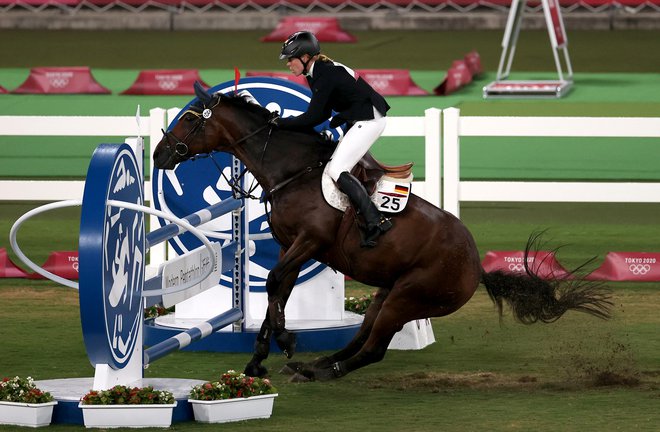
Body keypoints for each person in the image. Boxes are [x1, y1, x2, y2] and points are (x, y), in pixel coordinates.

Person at [271, 31, 393, 248]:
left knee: (337, 170)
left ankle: (376, 221)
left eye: (291, 59)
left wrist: (280, 123)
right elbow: (323, 112)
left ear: (305, 57)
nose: (288, 64)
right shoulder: (317, 72)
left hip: (369, 119)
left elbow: (314, 117)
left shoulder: (323, 74)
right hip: (361, 116)